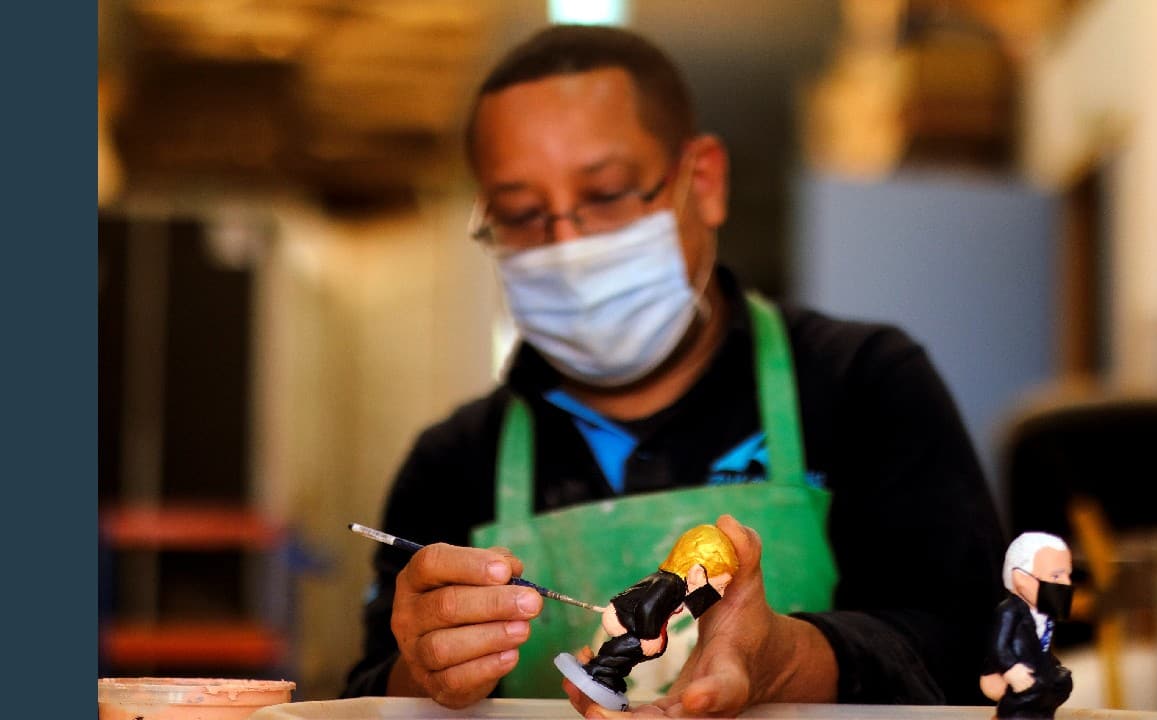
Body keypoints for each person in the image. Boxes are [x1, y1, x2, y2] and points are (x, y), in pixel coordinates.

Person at [342, 24, 1006, 715]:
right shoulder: (452, 465)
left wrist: (783, 660)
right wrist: (425, 674)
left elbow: (981, 654)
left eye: (605, 195)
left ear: (704, 181)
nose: (567, 248)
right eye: (522, 215)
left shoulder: (863, 386)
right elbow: (363, 694)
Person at [555, 524, 739, 711]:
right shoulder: (671, 585)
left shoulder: (675, 584)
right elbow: (646, 607)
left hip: (632, 617)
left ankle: (614, 673)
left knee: (646, 650)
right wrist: (649, 636)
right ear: (698, 574)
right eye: (720, 586)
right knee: (636, 645)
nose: (721, 594)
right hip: (624, 617)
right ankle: (600, 670)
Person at [980, 532, 1075, 718]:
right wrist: (1011, 668)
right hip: (1013, 672)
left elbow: (1042, 645)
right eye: (1056, 576)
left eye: (1068, 575)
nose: (1067, 583)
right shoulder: (1009, 611)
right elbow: (998, 647)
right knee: (1032, 691)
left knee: (1060, 683)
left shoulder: (1044, 613)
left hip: (1038, 669)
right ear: (1021, 578)